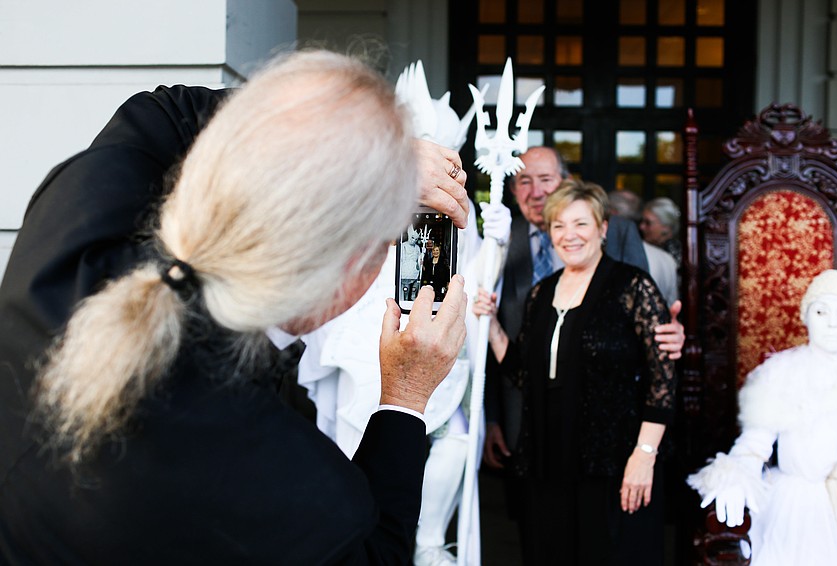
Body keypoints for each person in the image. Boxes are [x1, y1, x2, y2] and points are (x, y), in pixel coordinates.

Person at [0, 50, 471, 564]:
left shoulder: (71, 240)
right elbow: (377, 554)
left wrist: (365, 155)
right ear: (352, 274)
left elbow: (167, 114)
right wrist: (404, 397)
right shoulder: (294, 486)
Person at [297, 59, 512, 566]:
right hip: (373, 339)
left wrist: (495, 241)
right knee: (362, 436)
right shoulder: (371, 205)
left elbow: (472, 278)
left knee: (455, 442)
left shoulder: (455, 212)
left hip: (437, 348)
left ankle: (429, 541)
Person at [473, 180, 676, 564]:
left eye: (581, 224)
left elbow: (661, 380)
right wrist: (494, 328)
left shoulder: (633, 286)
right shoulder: (541, 293)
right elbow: (525, 376)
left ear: (603, 228)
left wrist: (644, 455)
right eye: (559, 226)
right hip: (548, 460)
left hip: (614, 460)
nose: (570, 236)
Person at [482, 145, 684, 486]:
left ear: (564, 180)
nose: (537, 192)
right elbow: (493, 344)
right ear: (514, 190)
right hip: (529, 422)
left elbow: (642, 319)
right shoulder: (498, 240)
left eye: (545, 179)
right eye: (525, 181)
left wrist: (669, 336)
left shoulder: (619, 234)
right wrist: (491, 418)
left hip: (610, 428)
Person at [688, 269, 837, 566]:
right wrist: (734, 478)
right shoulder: (781, 373)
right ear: (805, 315)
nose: (831, 322)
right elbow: (753, 446)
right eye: (820, 310)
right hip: (798, 505)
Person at [608, 190, 679, 306]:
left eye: (648, 223)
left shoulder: (608, 256)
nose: (642, 227)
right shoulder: (667, 259)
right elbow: (672, 303)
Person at [640, 196, 683, 267]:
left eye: (648, 223)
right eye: (642, 221)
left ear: (666, 227)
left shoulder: (674, 254)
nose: (641, 226)